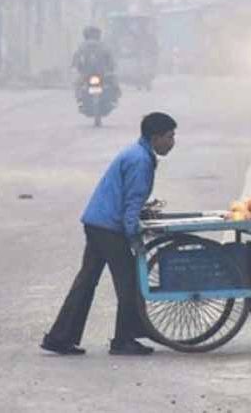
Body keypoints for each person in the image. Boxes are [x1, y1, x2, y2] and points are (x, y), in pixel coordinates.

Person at [40, 112, 177, 356]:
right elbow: (131, 204)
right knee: (129, 282)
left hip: (96, 222)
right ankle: (123, 340)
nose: (172, 142)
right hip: (108, 228)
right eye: (169, 136)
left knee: (87, 281)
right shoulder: (140, 161)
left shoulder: (137, 153)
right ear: (155, 137)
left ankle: (60, 337)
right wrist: (136, 238)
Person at [71, 25, 120, 101]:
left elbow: (76, 57)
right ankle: (114, 97)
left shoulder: (83, 46)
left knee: (78, 84)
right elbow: (110, 58)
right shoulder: (103, 45)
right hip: (100, 72)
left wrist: (75, 66)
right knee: (113, 82)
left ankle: (80, 98)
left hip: (88, 73)